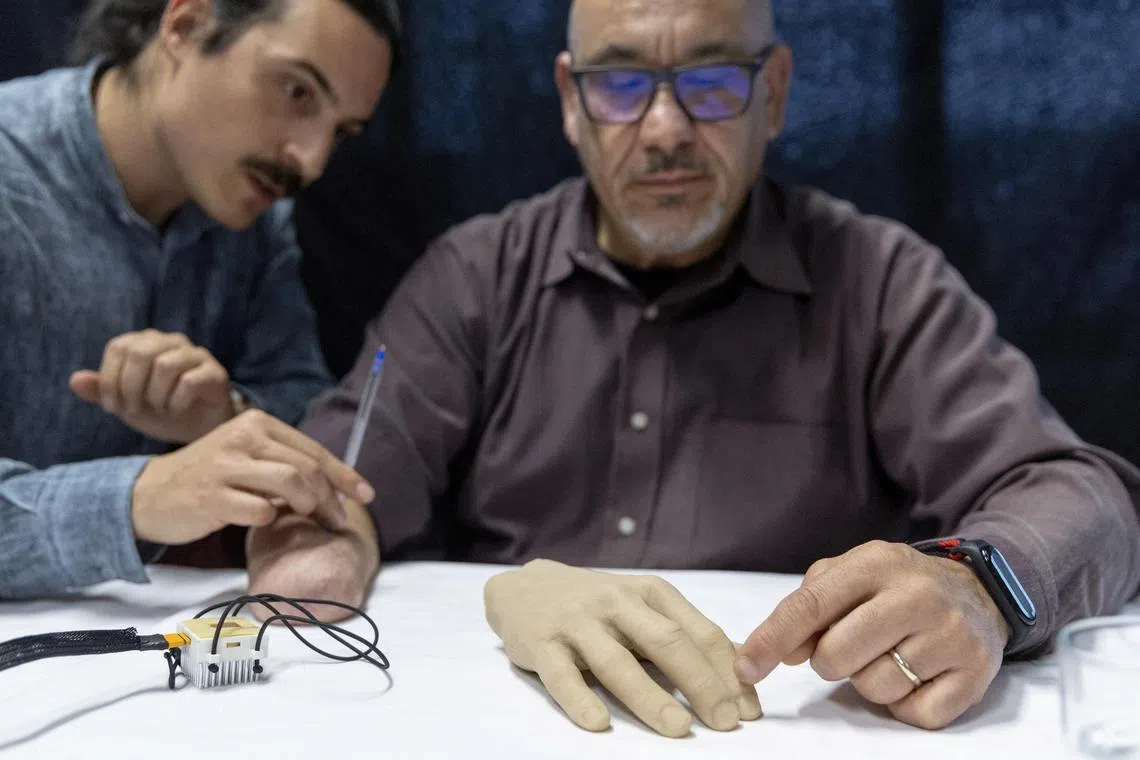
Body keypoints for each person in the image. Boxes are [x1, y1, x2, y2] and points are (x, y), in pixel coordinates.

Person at [248, 0, 1140, 735]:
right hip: (502, 723)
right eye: (622, 84)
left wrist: (979, 582)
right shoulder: (472, 277)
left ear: (775, 94)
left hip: (783, 731)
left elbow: (1082, 494)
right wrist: (318, 559)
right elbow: (339, 490)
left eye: (712, 84)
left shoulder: (876, 280)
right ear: (570, 101)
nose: (665, 128)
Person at [0, 0, 402, 599]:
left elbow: (305, 416)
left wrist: (223, 415)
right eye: (297, 93)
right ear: (185, 25)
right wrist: (140, 496)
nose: (311, 161)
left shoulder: (258, 227)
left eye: (339, 133)